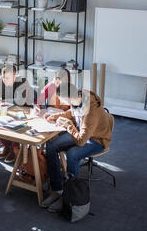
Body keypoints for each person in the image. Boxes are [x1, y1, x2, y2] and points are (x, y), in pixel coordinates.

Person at [41, 83, 113, 212]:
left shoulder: (91, 111)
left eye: (62, 100)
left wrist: (68, 125)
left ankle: (69, 196)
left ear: (69, 98)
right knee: (51, 144)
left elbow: (80, 141)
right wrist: (55, 117)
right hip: (82, 132)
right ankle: (57, 189)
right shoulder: (79, 96)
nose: (61, 102)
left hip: (97, 140)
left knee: (73, 154)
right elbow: (72, 113)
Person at [0, 64, 35, 163]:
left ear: (15, 76)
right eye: (3, 77)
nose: (5, 80)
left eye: (8, 78)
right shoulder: (0, 80)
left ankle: (14, 148)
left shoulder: (22, 81)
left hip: (24, 111)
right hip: (8, 109)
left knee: (13, 124)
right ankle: (7, 146)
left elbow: (20, 101)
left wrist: (3, 100)